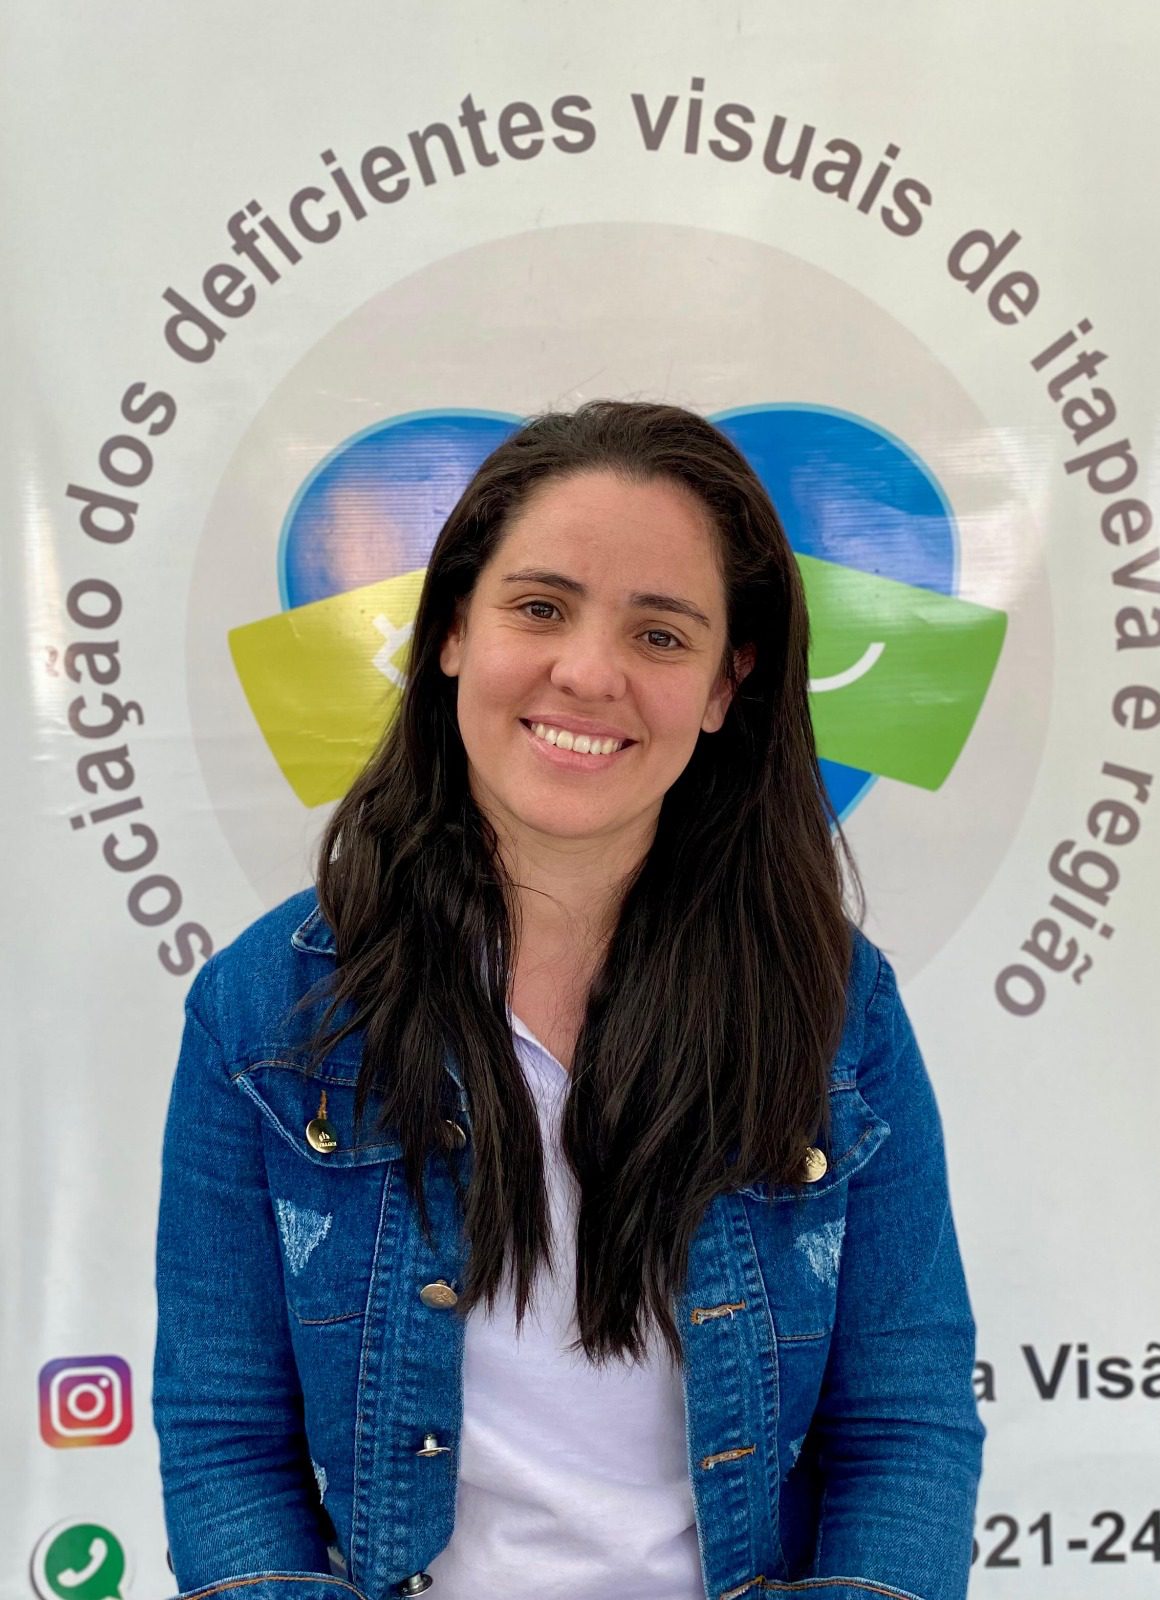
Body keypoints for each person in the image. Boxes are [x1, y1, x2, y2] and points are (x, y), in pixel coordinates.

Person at [152, 399, 984, 1600]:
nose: (589, 672)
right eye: (540, 608)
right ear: (450, 631)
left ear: (725, 684)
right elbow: (227, 1438)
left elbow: (906, 1425)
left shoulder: (837, 1007)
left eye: (661, 634)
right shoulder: (265, 1010)